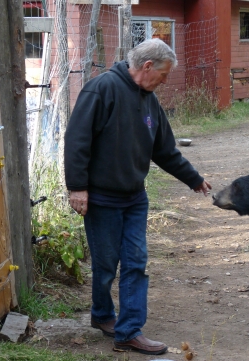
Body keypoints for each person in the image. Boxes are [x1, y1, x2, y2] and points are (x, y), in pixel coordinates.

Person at [64, 38, 211, 356]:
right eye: (163, 74)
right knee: (105, 266)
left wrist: (193, 179)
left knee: (135, 263)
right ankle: (103, 315)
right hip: (102, 199)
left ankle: (128, 331)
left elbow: (165, 150)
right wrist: (77, 188)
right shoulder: (101, 89)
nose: (164, 80)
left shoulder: (150, 101)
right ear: (147, 67)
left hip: (134, 198)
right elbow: (77, 139)